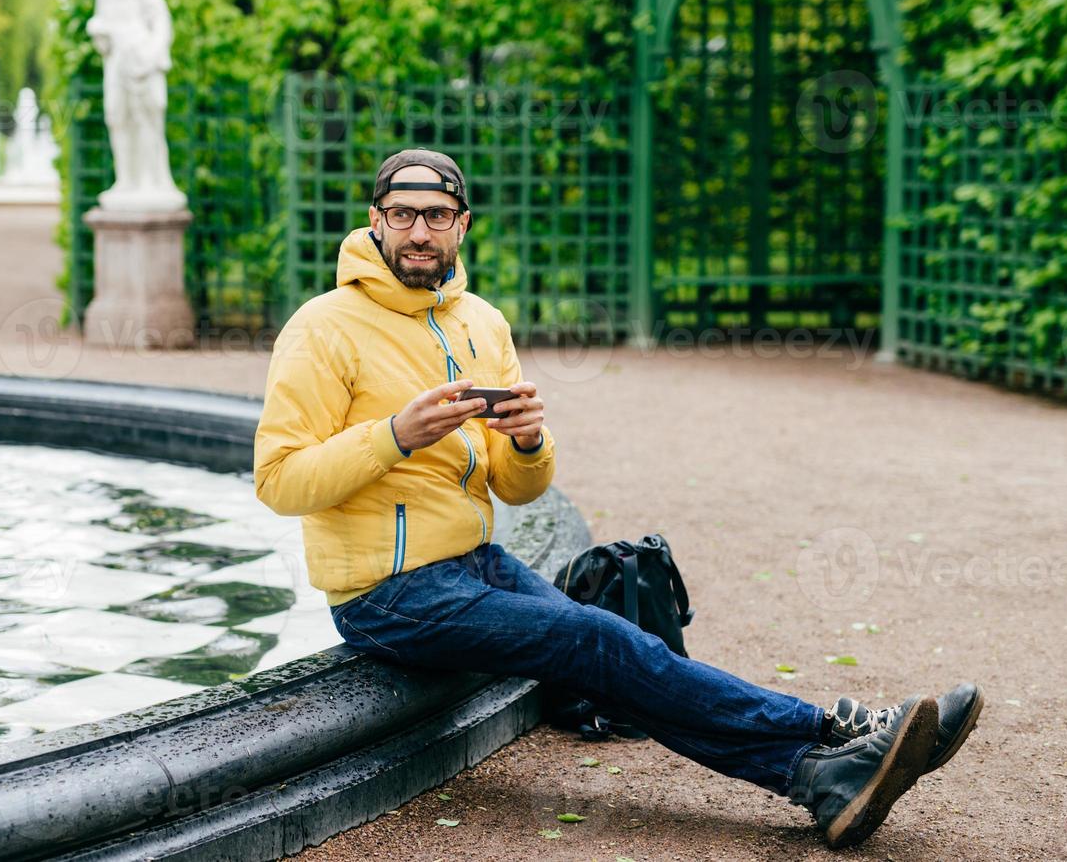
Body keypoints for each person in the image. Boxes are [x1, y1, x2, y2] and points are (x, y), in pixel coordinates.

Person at [252, 148, 983, 849]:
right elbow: (279, 479)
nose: (419, 230)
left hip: (473, 563)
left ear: (463, 224)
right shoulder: (323, 329)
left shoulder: (481, 323)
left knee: (612, 649)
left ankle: (822, 775)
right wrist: (395, 436)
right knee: (598, 638)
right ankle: (833, 731)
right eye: (402, 214)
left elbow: (518, 486)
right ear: (374, 220)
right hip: (386, 595)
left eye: (437, 214)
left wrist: (532, 442)